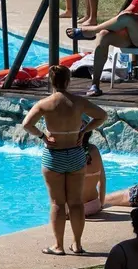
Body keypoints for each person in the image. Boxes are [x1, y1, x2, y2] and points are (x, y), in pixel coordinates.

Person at [21, 65, 108, 255]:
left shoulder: (45, 104)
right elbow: (102, 115)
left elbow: (27, 124)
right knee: (76, 202)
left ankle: (58, 246)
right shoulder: (78, 102)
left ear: (50, 82)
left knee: (57, 203)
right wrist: (84, 130)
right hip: (76, 154)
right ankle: (77, 244)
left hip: (54, 156)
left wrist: (43, 136)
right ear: (68, 81)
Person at [80, 131, 107, 217]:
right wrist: (101, 204)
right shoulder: (95, 150)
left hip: (77, 209)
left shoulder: (72, 153)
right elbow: (102, 180)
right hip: (95, 205)